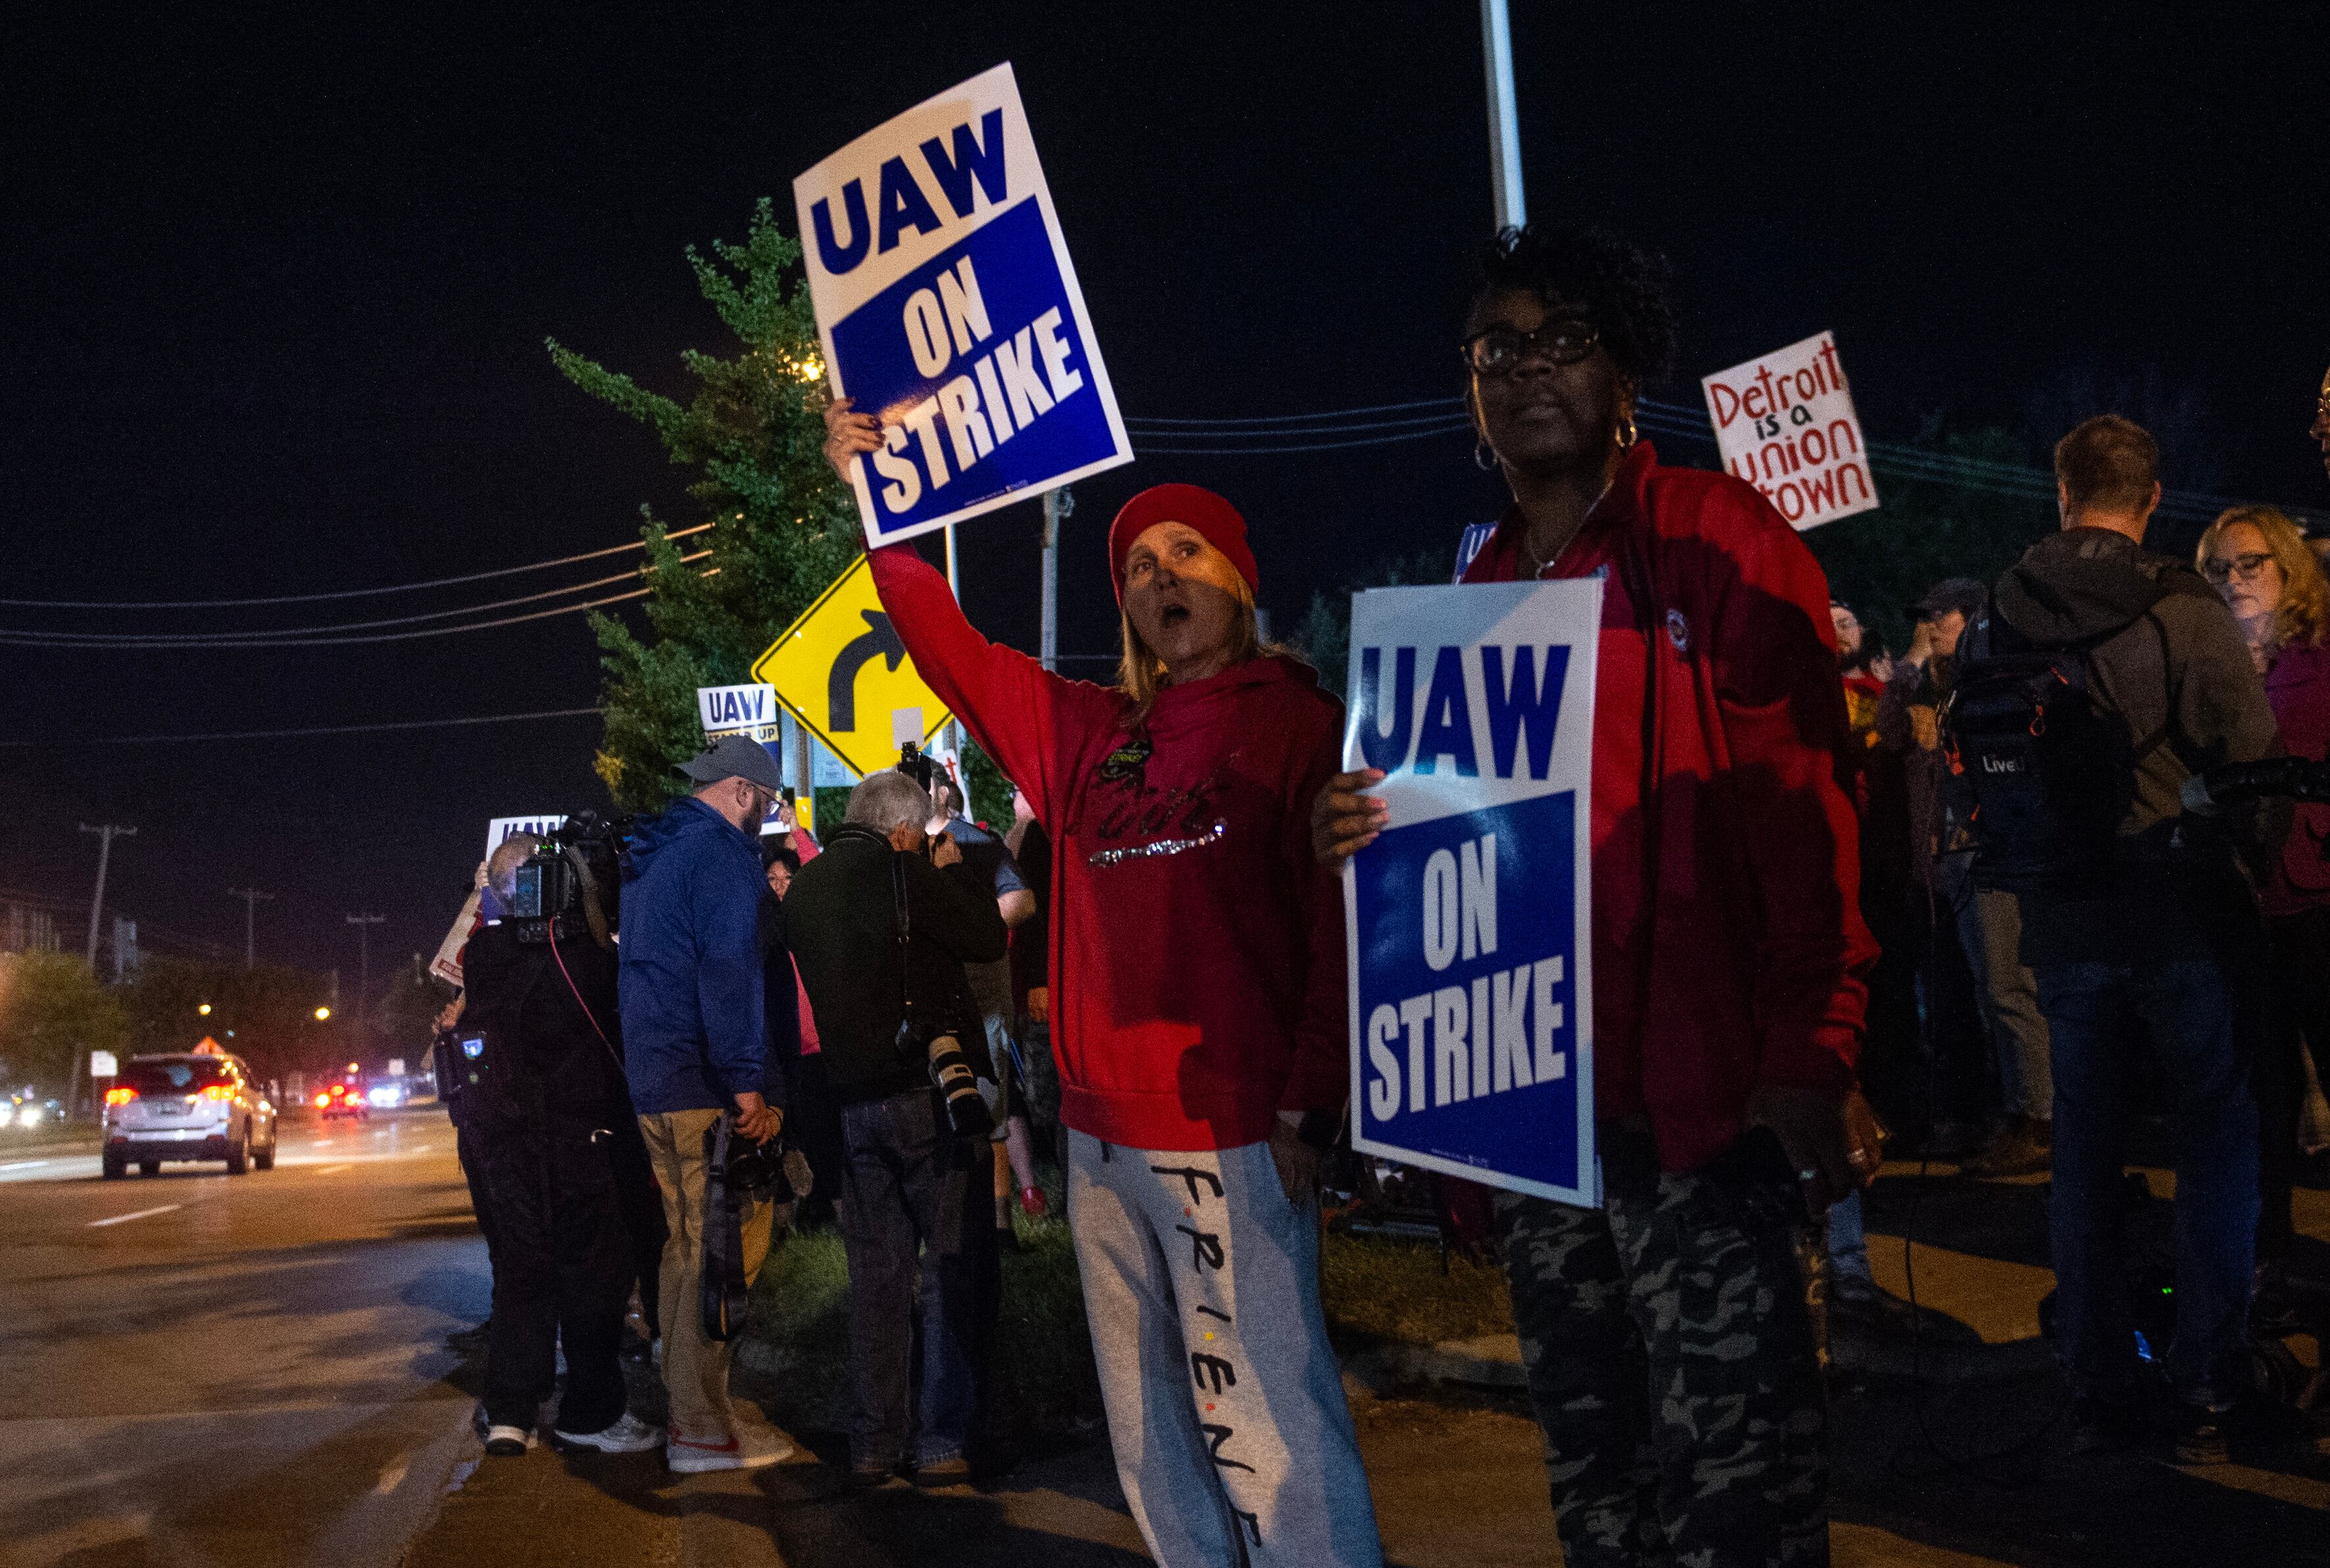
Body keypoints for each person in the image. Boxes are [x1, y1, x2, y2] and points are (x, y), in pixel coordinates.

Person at [1314, 224, 1880, 1568]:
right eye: (1494, 349)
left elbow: (1804, 820)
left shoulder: (1718, 542)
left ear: (1627, 376)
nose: (1524, 371)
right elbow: (1451, 850)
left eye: (1562, 340)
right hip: (1538, 1122)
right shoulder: (1473, 587)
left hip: (1707, 1108)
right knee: (1597, 1486)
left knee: (1738, 1494)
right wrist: (1363, 818)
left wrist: (1815, 1049)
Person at [825, 403, 1382, 1563]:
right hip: (1099, 1141)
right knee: (1151, 1430)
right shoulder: (1090, 736)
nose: (1157, 574)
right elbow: (956, 652)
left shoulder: (1304, 727)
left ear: (1238, 578)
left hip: (1229, 1131)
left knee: (1266, 1420)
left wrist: (1307, 1103)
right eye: (1136, 563)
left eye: (1185, 552)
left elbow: (1341, 921)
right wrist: (879, 512)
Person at [1962, 415, 2278, 1463]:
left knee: (2086, 1150)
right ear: (2152, 499)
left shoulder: (1998, 613)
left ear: (2061, 494)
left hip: (2060, 916)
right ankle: (2209, 1370)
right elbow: (2253, 765)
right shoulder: (2181, 609)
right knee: (2214, 1135)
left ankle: (2098, 1377)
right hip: (2178, 908)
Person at [781, 769, 1008, 1488]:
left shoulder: (807, 887)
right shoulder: (906, 873)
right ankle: (941, 1441)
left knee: (876, 1278)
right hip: (925, 1095)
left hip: (850, 1103)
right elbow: (985, 937)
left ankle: (875, 1444)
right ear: (903, 829)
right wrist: (934, 867)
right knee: (944, 1270)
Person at [619, 734, 796, 1474]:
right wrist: (748, 1079)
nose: (766, 817)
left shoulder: (652, 855)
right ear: (743, 792)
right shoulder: (724, 857)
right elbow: (729, 974)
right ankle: (698, 1426)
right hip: (704, 1085)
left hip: (654, 1082)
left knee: (685, 1246)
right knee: (724, 1253)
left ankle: (691, 1409)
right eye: (769, 802)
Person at [461, 834, 661, 1456]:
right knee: (591, 1275)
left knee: (520, 1273)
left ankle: (510, 1414)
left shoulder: (484, 954)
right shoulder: (585, 955)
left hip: (508, 1142)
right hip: (582, 1137)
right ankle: (591, 1411)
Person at [2195, 505, 2330, 1286]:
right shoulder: (2205, 665)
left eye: (2252, 563)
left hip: (2318, 897)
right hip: (2241, 902)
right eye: (2221, 567)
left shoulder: (2321, 656)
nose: (2237, 579)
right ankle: (2270, 1251)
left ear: (2286, 569)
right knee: (2261, 1095)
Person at [1893, 581, 2056, 1180]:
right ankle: (2014, 1113)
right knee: (1987, 994)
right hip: (1948, 860)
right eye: (1925, 616)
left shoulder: (1989, 679)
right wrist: (1913, 665)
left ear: (1975, 618)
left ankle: (2039, 1118)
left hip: (1988, 852)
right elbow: (1889, 732)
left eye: (1943, 615)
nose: (1932, 625)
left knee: (2011, 989)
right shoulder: (1929, 684)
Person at [924, 776, 1047, 1238]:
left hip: (981, 996)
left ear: (939, 791)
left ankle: (999, 1225)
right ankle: (954, 1225)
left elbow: (1023, 900)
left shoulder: (977, 843)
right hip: (933, 1001)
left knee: (990, 1105)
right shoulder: (902, 847)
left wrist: (972, 926)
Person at [1004, 782, 1061, 1163]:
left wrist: (1039, 980)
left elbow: (1034, 914)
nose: (1014, 800)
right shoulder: (1041, 835)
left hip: (1054, 978)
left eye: (1019, 792)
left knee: (1056, 1092)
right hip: (1051, 978)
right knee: (1053, 1095)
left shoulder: (1041, 835)